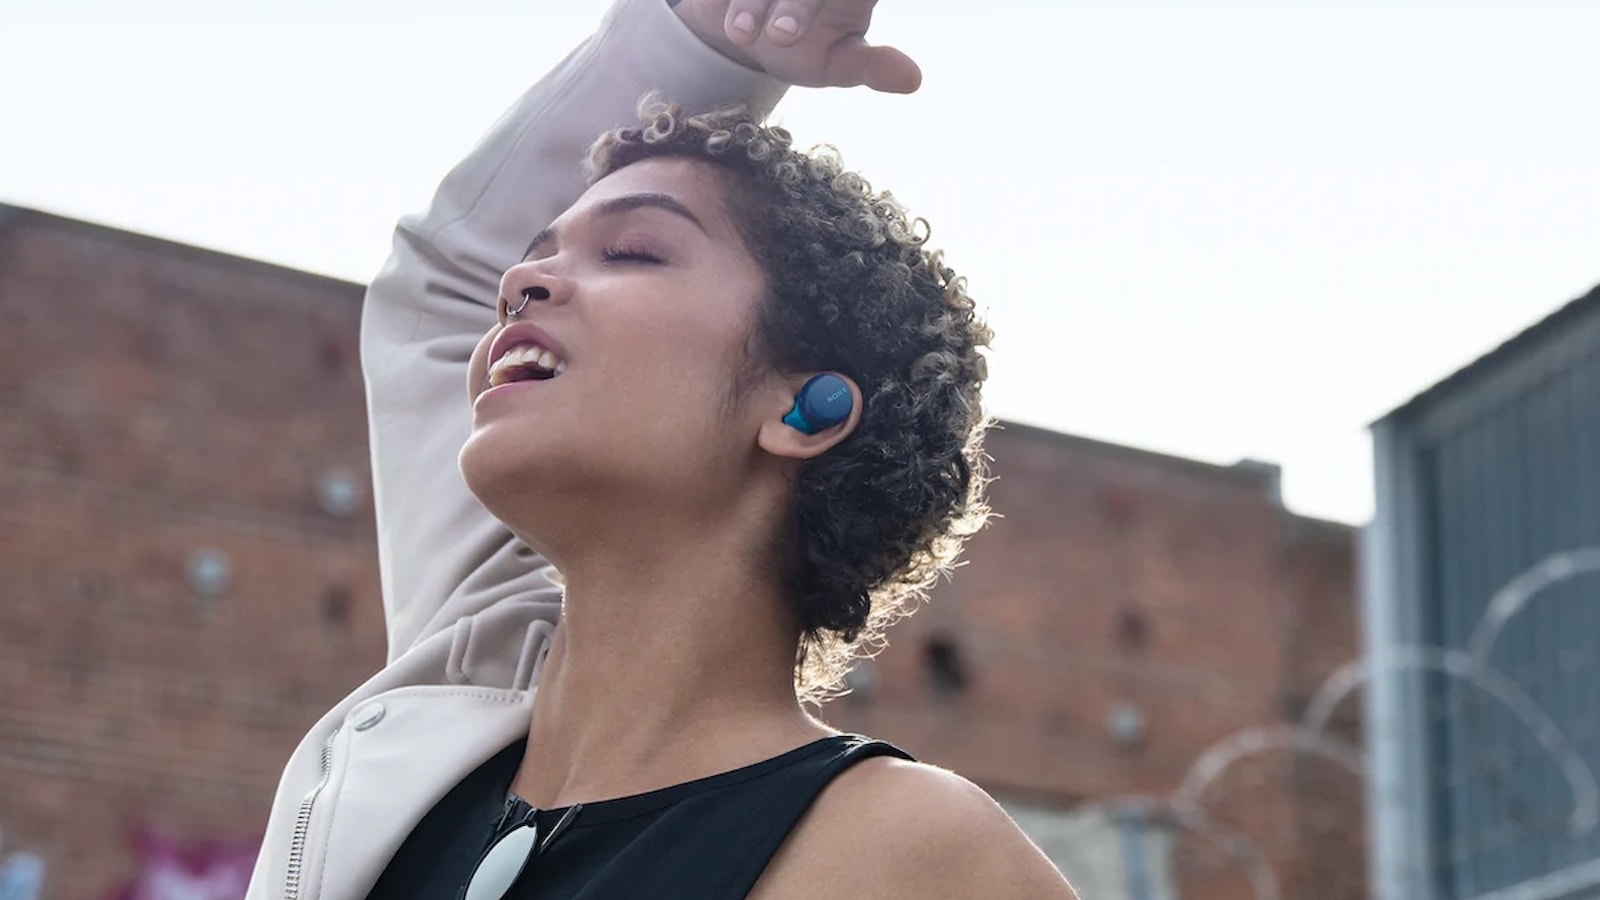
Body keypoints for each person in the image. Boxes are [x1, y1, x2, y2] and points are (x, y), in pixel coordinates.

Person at [244, 0, 1078, 897]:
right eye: (537, 254)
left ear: (808, 411)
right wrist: (704, 45)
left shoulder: (912, 852)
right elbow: (449, 282)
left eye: (633, 252)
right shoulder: (459, 693)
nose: (519, 282)